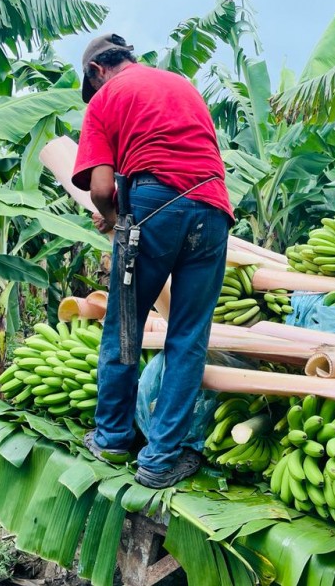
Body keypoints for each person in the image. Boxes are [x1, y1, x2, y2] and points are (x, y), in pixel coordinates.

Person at [71, 33, 234, 488]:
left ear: (97, 71)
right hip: (213, 209)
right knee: (188, 336)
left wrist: (115, 218)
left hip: (153, 206)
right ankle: (160, 460)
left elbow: (102, 190)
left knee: (125, 324)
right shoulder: (181, 85)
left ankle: (113, 438)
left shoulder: (106, 100)